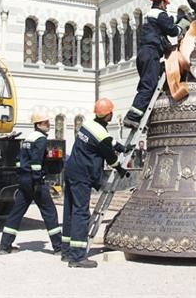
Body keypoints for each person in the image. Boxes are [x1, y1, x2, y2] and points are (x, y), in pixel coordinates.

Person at [61, 98, 132, 268]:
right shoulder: (100, 134)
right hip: (82, 175)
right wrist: (120, 169)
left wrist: (120, 146)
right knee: (81, 212)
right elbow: (110, 155)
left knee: (70, 211)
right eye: (111, 113)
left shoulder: (88, 125)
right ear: (108, 114)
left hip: (71, 170)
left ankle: (67, 251)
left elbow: (105, 140)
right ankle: (77, 257)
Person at [123, 0, 189, 129]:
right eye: (166, 4)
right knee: (149, 85)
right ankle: (132, 117)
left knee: (147, 84)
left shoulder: (150, 17)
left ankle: (139, 117)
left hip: (144, 54)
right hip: (150, 53)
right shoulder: (160, 14)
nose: (166, 7)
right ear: (162, 3)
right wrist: (182, 25)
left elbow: (162, 33)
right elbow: (172, 30)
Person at [0, 113, 61, 255]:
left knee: (16, 212)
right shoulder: (40, 140)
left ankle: (4, 246)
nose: (48, 124)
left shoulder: (28, 138)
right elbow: (36, 162)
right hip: (35, 181)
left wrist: (22, 174)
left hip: (24, 180)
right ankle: (59, 248)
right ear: (38, 125)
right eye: (45, 122)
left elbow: (18, 159)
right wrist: (37, 181)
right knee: (49, 212)